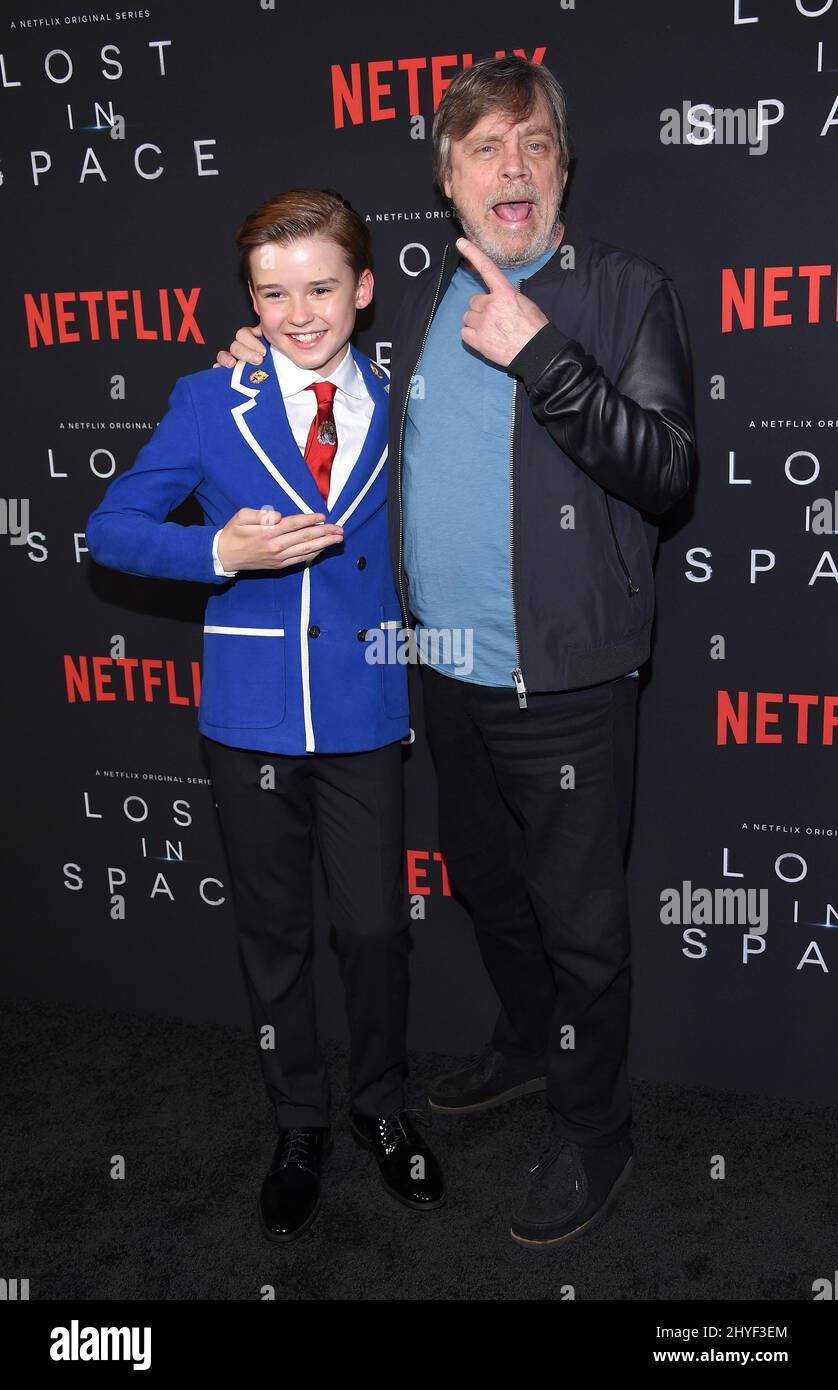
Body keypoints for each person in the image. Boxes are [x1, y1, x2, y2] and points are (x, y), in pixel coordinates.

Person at [217, 56, 696, 1247]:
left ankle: (596, 1129)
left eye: (533, 143)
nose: (513, 168)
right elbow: (335, 402)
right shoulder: (424, 298)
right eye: (484, 149)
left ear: (564, 165)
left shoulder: (622, 290)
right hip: (445, 673)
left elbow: (666, 470)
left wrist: (543, 356)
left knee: (581, 925)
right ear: (448, 179)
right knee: (487, 888)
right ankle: (533, 1044)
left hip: (570, 681)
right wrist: (259, 362)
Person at [86, 188, 446, 1245]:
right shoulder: (212, 399)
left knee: (376, 930)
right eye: (274, 292)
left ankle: (381, 1108)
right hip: (247, 711)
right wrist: (217, 552)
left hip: (367, 705)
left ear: (364, 289)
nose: (299, 313)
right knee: (274, 935)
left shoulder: (404, 395)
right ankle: (298, 1122)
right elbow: (111, 529)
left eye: (321, 287)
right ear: (249, 298)